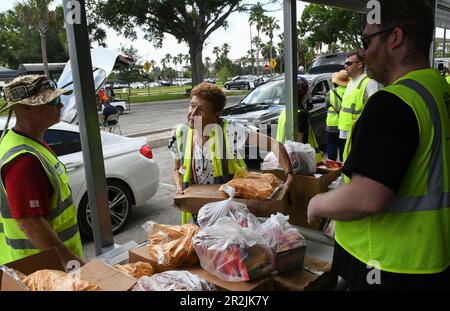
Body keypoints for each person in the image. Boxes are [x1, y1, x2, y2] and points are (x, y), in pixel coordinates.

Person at [307, 0, 450, 290]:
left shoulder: (393, 103)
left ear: (395, 38)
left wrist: (317, 203)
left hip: (386, 264)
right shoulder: (439, 92)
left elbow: (368, 197)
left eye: (366, 40)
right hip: (432, 259)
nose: (362, 52)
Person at [169, 83, 294, 225]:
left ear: (216, 115)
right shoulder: (180, 133)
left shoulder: (229, 130)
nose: (192, 113)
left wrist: (290, 174)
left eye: (201, 110)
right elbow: (176, 169)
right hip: (198, 210)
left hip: (230, 213)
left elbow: (274, 144)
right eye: (192, 105)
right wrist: (179, 188)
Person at [0, 75, 84, 266]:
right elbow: (30, 224)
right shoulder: (23, 160)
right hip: (44, 269)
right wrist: (72, 264)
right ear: (27, 107)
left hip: (46, 266)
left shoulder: (30, 143)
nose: (60, 106)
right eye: (53, 101)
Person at [276, 77, 324, 163]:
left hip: (284, 158)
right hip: (298, 162)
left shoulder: (285, 111)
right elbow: (299, 145)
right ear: (305, 94)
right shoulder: (301, 114)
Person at [338, 51, 381, 146]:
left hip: (359, 133)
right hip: (346, 130)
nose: (345, 66)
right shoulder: (350, 82)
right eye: (345, 63)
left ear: (360, 64)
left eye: (349, 63)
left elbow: (375, 112)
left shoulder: (370, 83)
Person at [326, 70, 348, 161]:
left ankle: (332, 168)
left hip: (331, 123)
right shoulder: (350, 92)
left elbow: (326, 106)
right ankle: (342, 168)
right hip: (344, 123)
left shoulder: (331, 92)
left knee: (331, 145)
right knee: (343, 145)